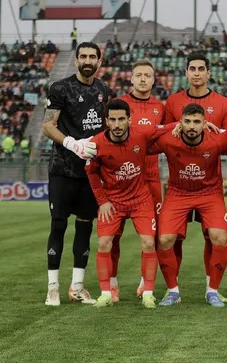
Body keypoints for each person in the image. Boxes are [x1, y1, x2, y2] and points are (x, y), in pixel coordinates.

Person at [85, 99, 173, 308]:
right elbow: (91, 173)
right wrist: (102, 201)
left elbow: (165, 128)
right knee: (104, 243)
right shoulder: (96, 143)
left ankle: (148, 293)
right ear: (106, 121)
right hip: (113, 201)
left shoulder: (141, 134)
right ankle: (106, 293)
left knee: (149, 243)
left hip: (140, 200)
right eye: (113, 120)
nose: (117, 124)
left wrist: (182, 125)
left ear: (129, 120)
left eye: (121, 119)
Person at [162, 52, 227, 303]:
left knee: (214, 237)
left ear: (208, 73)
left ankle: (211, 288)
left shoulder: (223, 103)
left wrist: (216, 130)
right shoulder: (173, 101)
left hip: (209, 186)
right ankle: (173, 290)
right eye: (192, 68)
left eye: (201, 69)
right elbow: (161, 135)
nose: (196, 73)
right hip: (179, 187)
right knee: (170, 238)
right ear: (186, 72)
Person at [42, 41, 109, 306]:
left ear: (99, 61)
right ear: (76, 60)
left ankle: (77, 286)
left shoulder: (103, 89)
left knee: (85, 226)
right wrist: (71, 143)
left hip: (90, 172)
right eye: (83, 56)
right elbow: (48, 125)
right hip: (63, 168)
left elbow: (105, 126)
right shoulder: (60, 88)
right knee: (58, 225)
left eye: (93, 56)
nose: (88, 60)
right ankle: (53, 288)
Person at [151, 104, 227, 307]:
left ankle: (212, 291)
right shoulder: (168, 139)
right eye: (187, 121)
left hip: (209, 193)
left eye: (197, 122)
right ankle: (173, 292)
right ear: (180, 123)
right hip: (178, 193)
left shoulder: (217, 139)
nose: (192, 126)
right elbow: (139, 138)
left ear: (205, 123)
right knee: (165, 239)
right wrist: (169, 127)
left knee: (220, 237)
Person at [110, 59, 165, 302]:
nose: (143, 79)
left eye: (147, 75)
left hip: (150, 179)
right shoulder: (119, 105)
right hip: (119, 181)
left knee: (151, 236)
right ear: (131, 79)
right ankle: (112, 283)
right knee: (112, 236)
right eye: (139, 75)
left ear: (153, 80)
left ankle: (145, 282)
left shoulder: (160, 107)